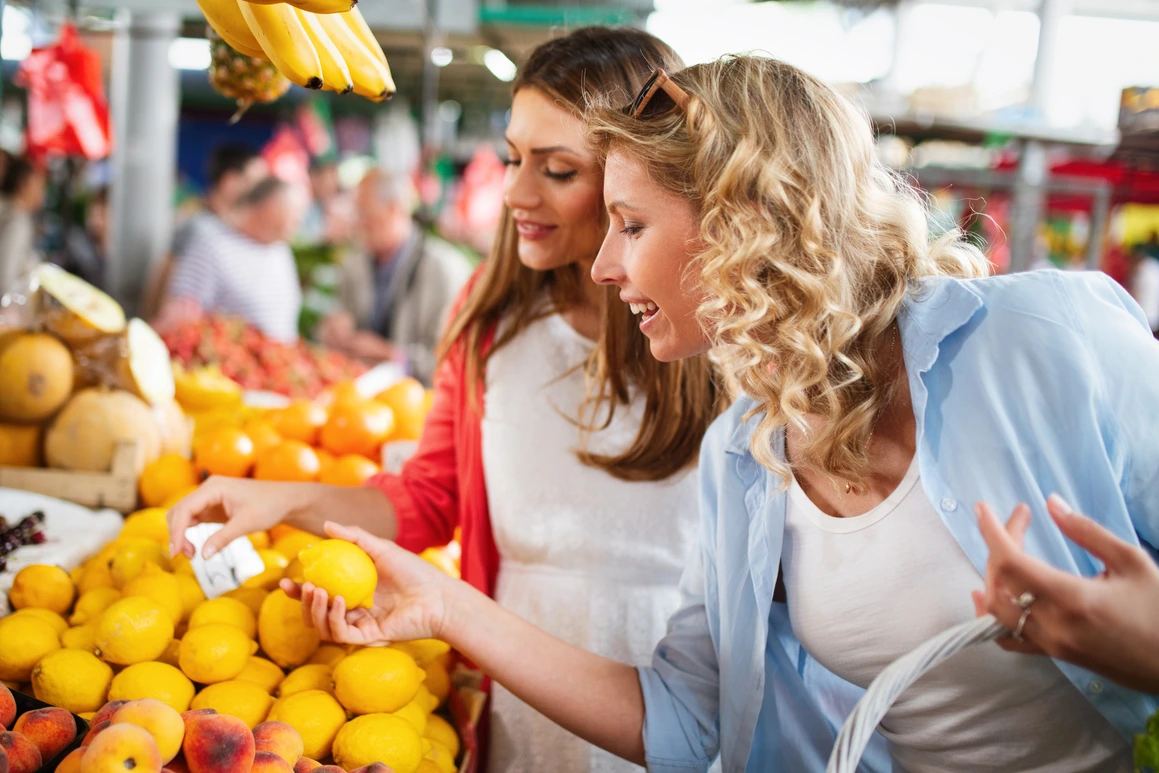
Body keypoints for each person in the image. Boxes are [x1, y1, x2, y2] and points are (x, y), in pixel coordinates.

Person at [286, 56, 1157, 773]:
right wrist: (445, 606)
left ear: (744, 223)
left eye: (630, 223)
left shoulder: (1046, 339)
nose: (602, 264)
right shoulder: (746, 456)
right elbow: (683, 719)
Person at [168, 28, 723, 773]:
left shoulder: (717, 335)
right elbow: (431, 496)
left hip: (683, 697)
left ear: (639, 173)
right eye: (513, 157)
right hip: (516, 675)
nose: (516, 192)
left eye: (557, 169)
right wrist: (278, 499)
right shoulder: (491, 319)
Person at [318, 168, 472, 384]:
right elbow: (338, 324)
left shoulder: (444, 269)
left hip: (419, 403)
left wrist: (391, 355)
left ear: (394, 209)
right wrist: (332, 331)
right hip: (360, 397)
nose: (358, 224)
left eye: (364, 214)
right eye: (355, 214)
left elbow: (455, 362)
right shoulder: (354, 263)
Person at [158, 177, 306, 342]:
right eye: (295, 214)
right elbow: (177, 315)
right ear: (268, 206)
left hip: (280, 361)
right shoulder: (212, 246)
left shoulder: (281, 252)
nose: (298, 222)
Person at [142, 144, 267, 319]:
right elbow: (164, 273)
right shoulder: (198, 226)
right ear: (229, 181)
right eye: (255, 184)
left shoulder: (220, 226)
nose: (259, 194)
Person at [0, 155, 47, 296]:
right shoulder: (18, 221)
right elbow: (5, 279)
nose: (42, 194)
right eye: (40, 186)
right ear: (23, 184)